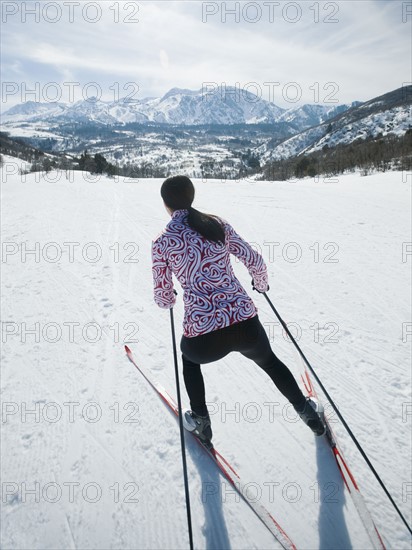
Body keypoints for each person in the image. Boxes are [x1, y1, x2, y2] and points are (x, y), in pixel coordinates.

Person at [152, 175, 325, 446]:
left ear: (165, 204)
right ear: (191, 197)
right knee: (270, 362)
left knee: (189, 360)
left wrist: (170, 297)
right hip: (244, 325)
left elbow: (163, 298)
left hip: (203, 338)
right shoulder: (216, 225)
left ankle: (200, 420)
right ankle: (307, 412)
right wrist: (261, 283)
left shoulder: (162, 242)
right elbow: (254, 259)